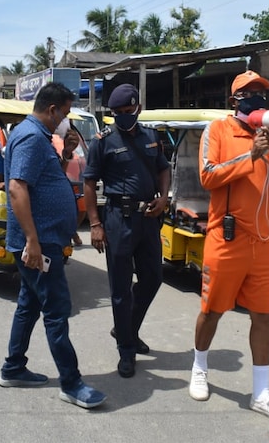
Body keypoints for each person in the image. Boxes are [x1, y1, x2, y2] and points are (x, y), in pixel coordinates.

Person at [188, 70, 269, 425]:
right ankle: (199, 366)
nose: (256, 97)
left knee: (263, 315)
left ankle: (261, 392)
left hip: (264, 241)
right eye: (249, 93)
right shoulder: (218, 130)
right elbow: (208, 176)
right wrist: (251, 156)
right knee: (212, 310)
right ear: (233, 100)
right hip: (226, 239)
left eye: (261, 92)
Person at [0, 82, 106, 409]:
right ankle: (71, 383)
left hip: (44, 238)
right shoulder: (31, 137)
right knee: (56, 310)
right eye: (66, 113)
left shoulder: (41, 137)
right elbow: (17, 188)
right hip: (39, 243)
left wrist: (68, 154)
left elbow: (47, 178)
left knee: (29, 304)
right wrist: (32, 240)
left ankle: (13, 367)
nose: (67, 120)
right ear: (52, 110)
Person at [83, 83, 171, 379]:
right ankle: (126, 351)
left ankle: (126, 329)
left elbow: (163, 169)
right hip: (117, 220)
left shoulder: (151, 136)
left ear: (138, 109)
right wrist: (95, 224)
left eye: (127, 111)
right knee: (120, 289)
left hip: (148, 218)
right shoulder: (102, 141)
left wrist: (164, 197)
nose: (122, 116)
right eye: (117, 113)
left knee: (153, 279)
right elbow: (89, 183)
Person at [52, 124, 85, 246]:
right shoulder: (43, 139)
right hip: (54, 187)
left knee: (81, 206)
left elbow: (60, 168)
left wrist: (67, 152)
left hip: (71, 179)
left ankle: (72, 231)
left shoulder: (69, 137)